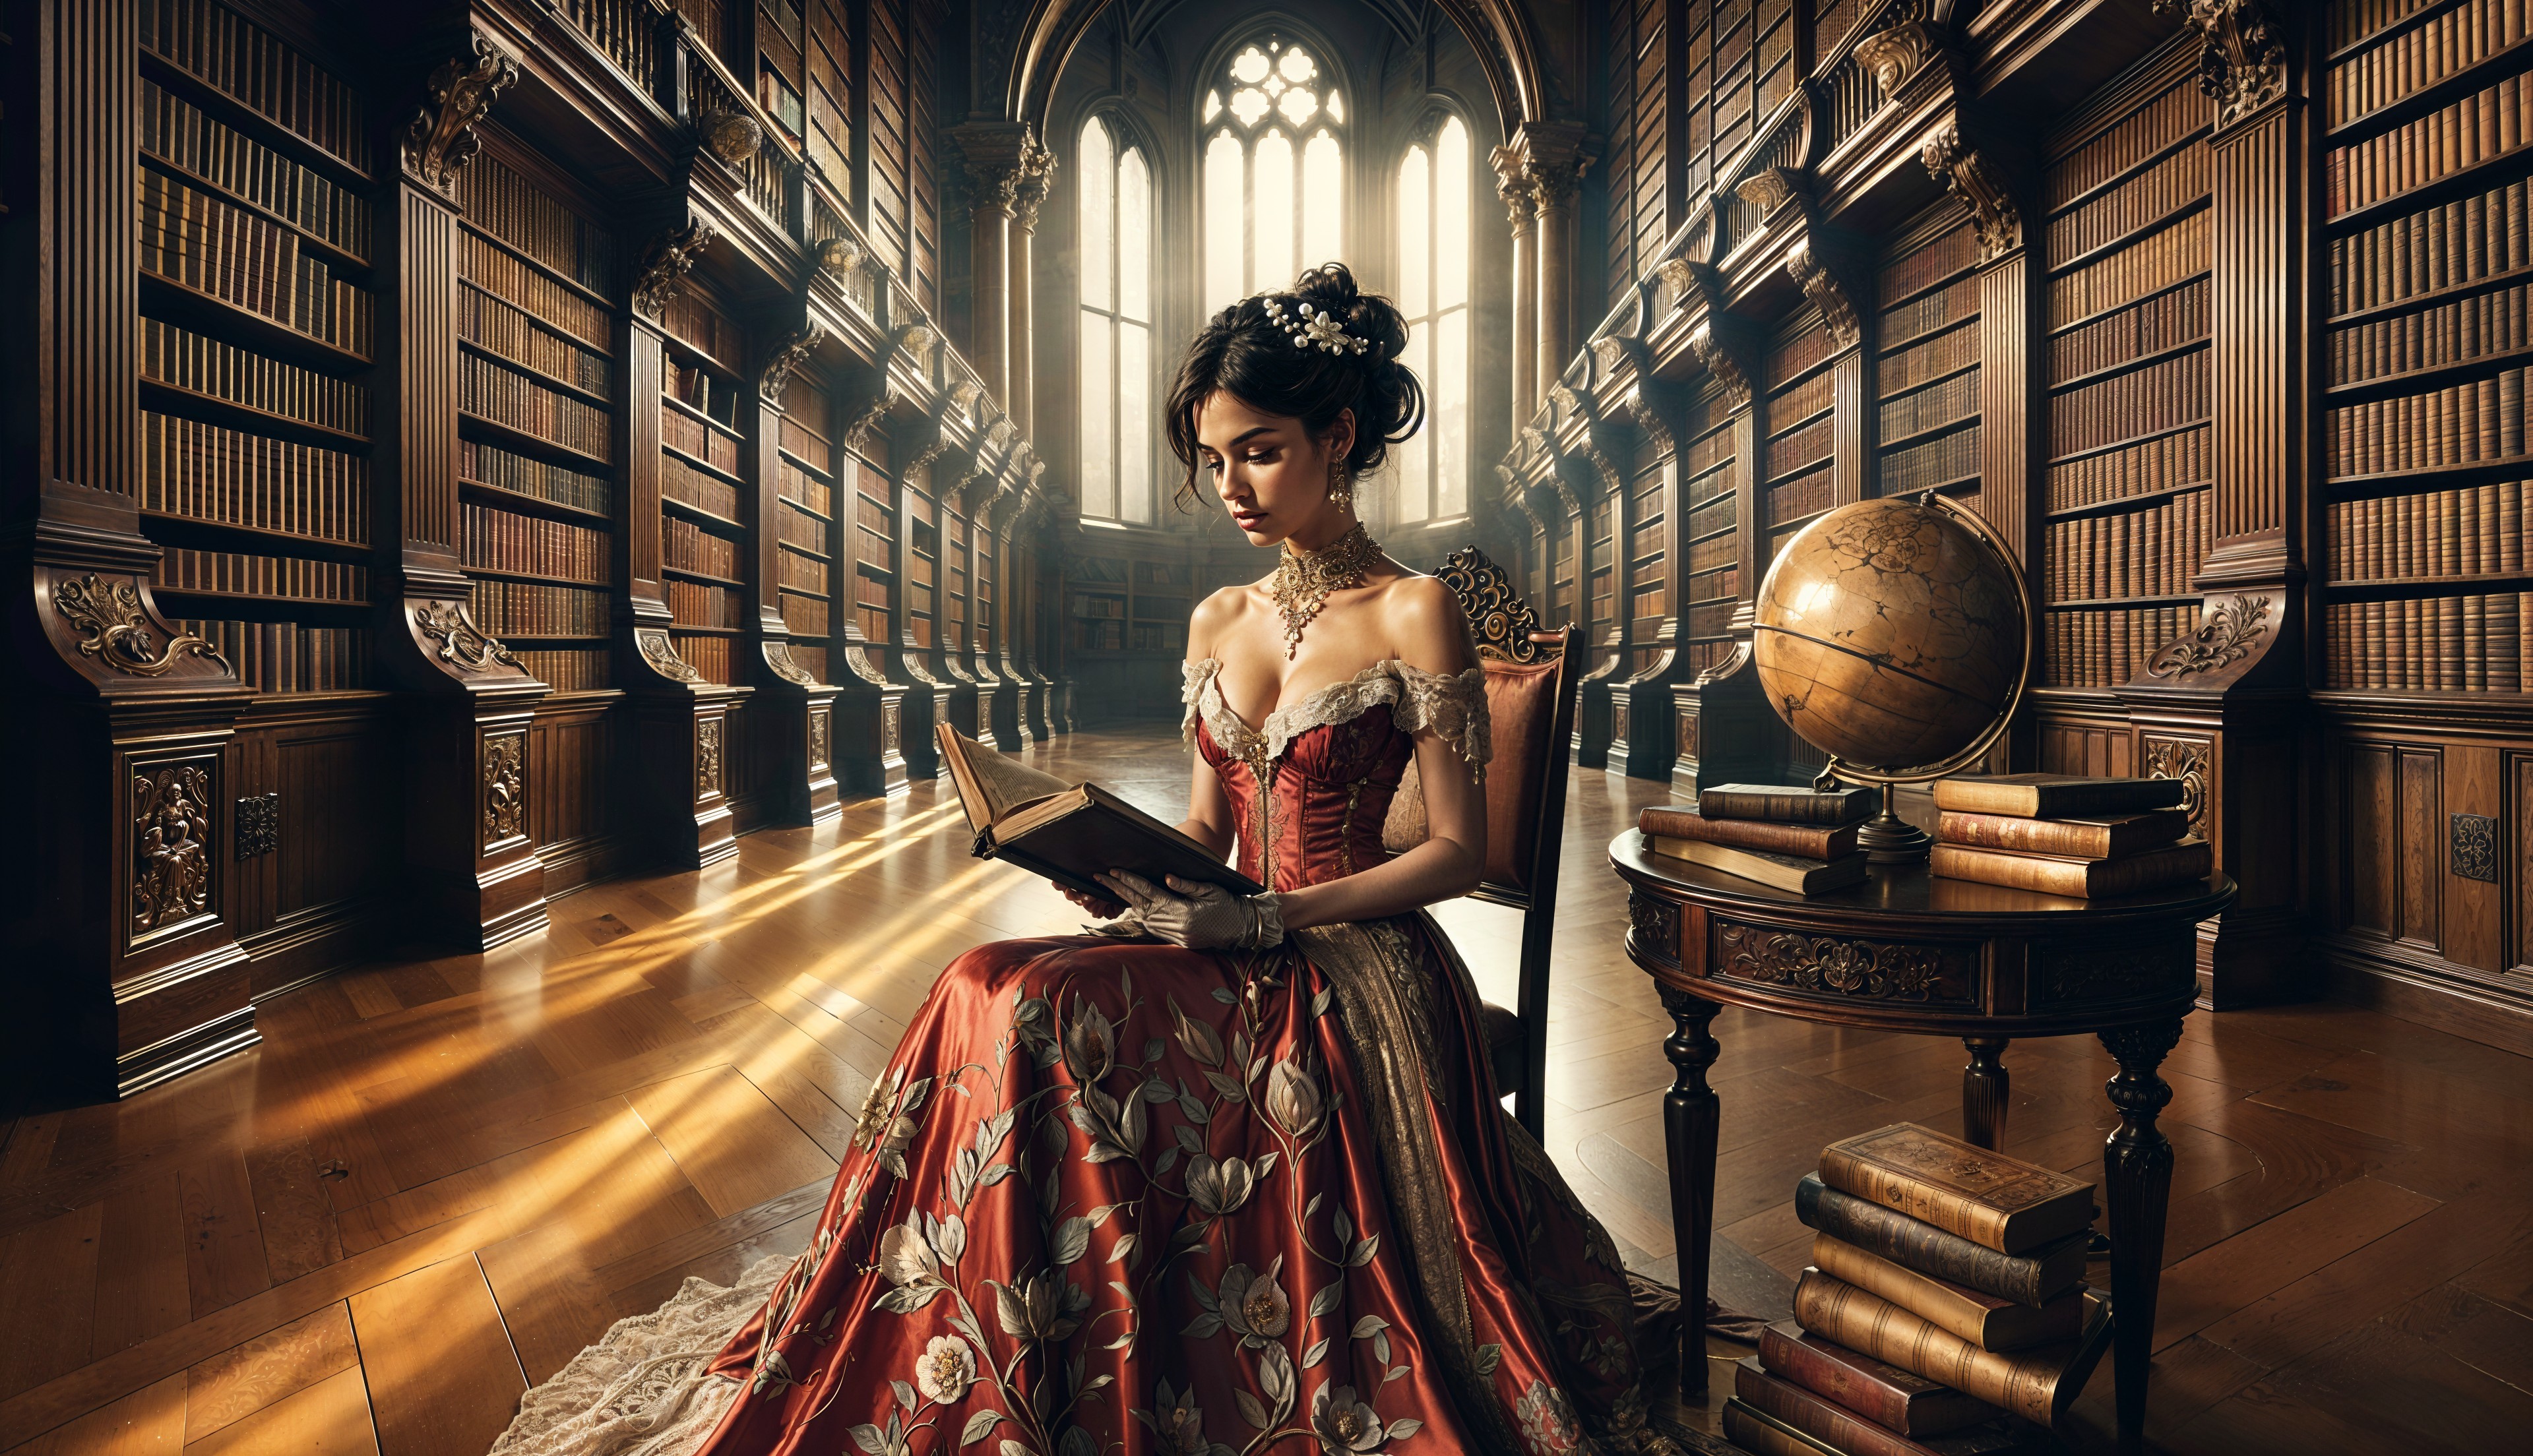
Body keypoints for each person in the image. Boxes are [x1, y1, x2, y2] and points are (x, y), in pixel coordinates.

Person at [493, 264, 1678, 1456]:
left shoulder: (1417, 608)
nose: (1230, 488)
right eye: (1212, 461)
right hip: (1215, 935)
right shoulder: (1219, 616)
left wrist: (1269, 920)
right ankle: (1012, 1343)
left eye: (1258, 454)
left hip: (1354, 962)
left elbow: (1457, 855)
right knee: (983, 984)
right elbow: (1211, 838)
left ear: (1340, 435)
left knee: (1037, 1015)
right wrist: (1114, 874)